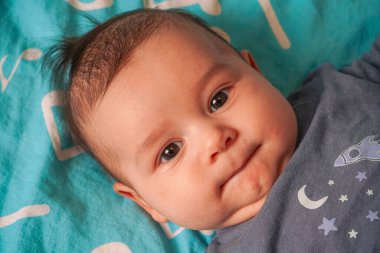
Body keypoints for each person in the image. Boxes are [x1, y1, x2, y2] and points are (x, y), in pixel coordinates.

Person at [44, 8, 380, 252]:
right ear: (145, 202)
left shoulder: (336, 91)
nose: (214, 139)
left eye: (218, 99)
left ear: (255, 71)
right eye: (169, 151)